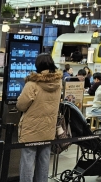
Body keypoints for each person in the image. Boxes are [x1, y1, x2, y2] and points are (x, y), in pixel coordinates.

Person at [17, 53, 62, 182]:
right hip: (48, 128)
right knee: (44, 159)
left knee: (28, 160)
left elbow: (21, 105)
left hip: (31, 129)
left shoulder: (32, 84)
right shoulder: (58, 83)